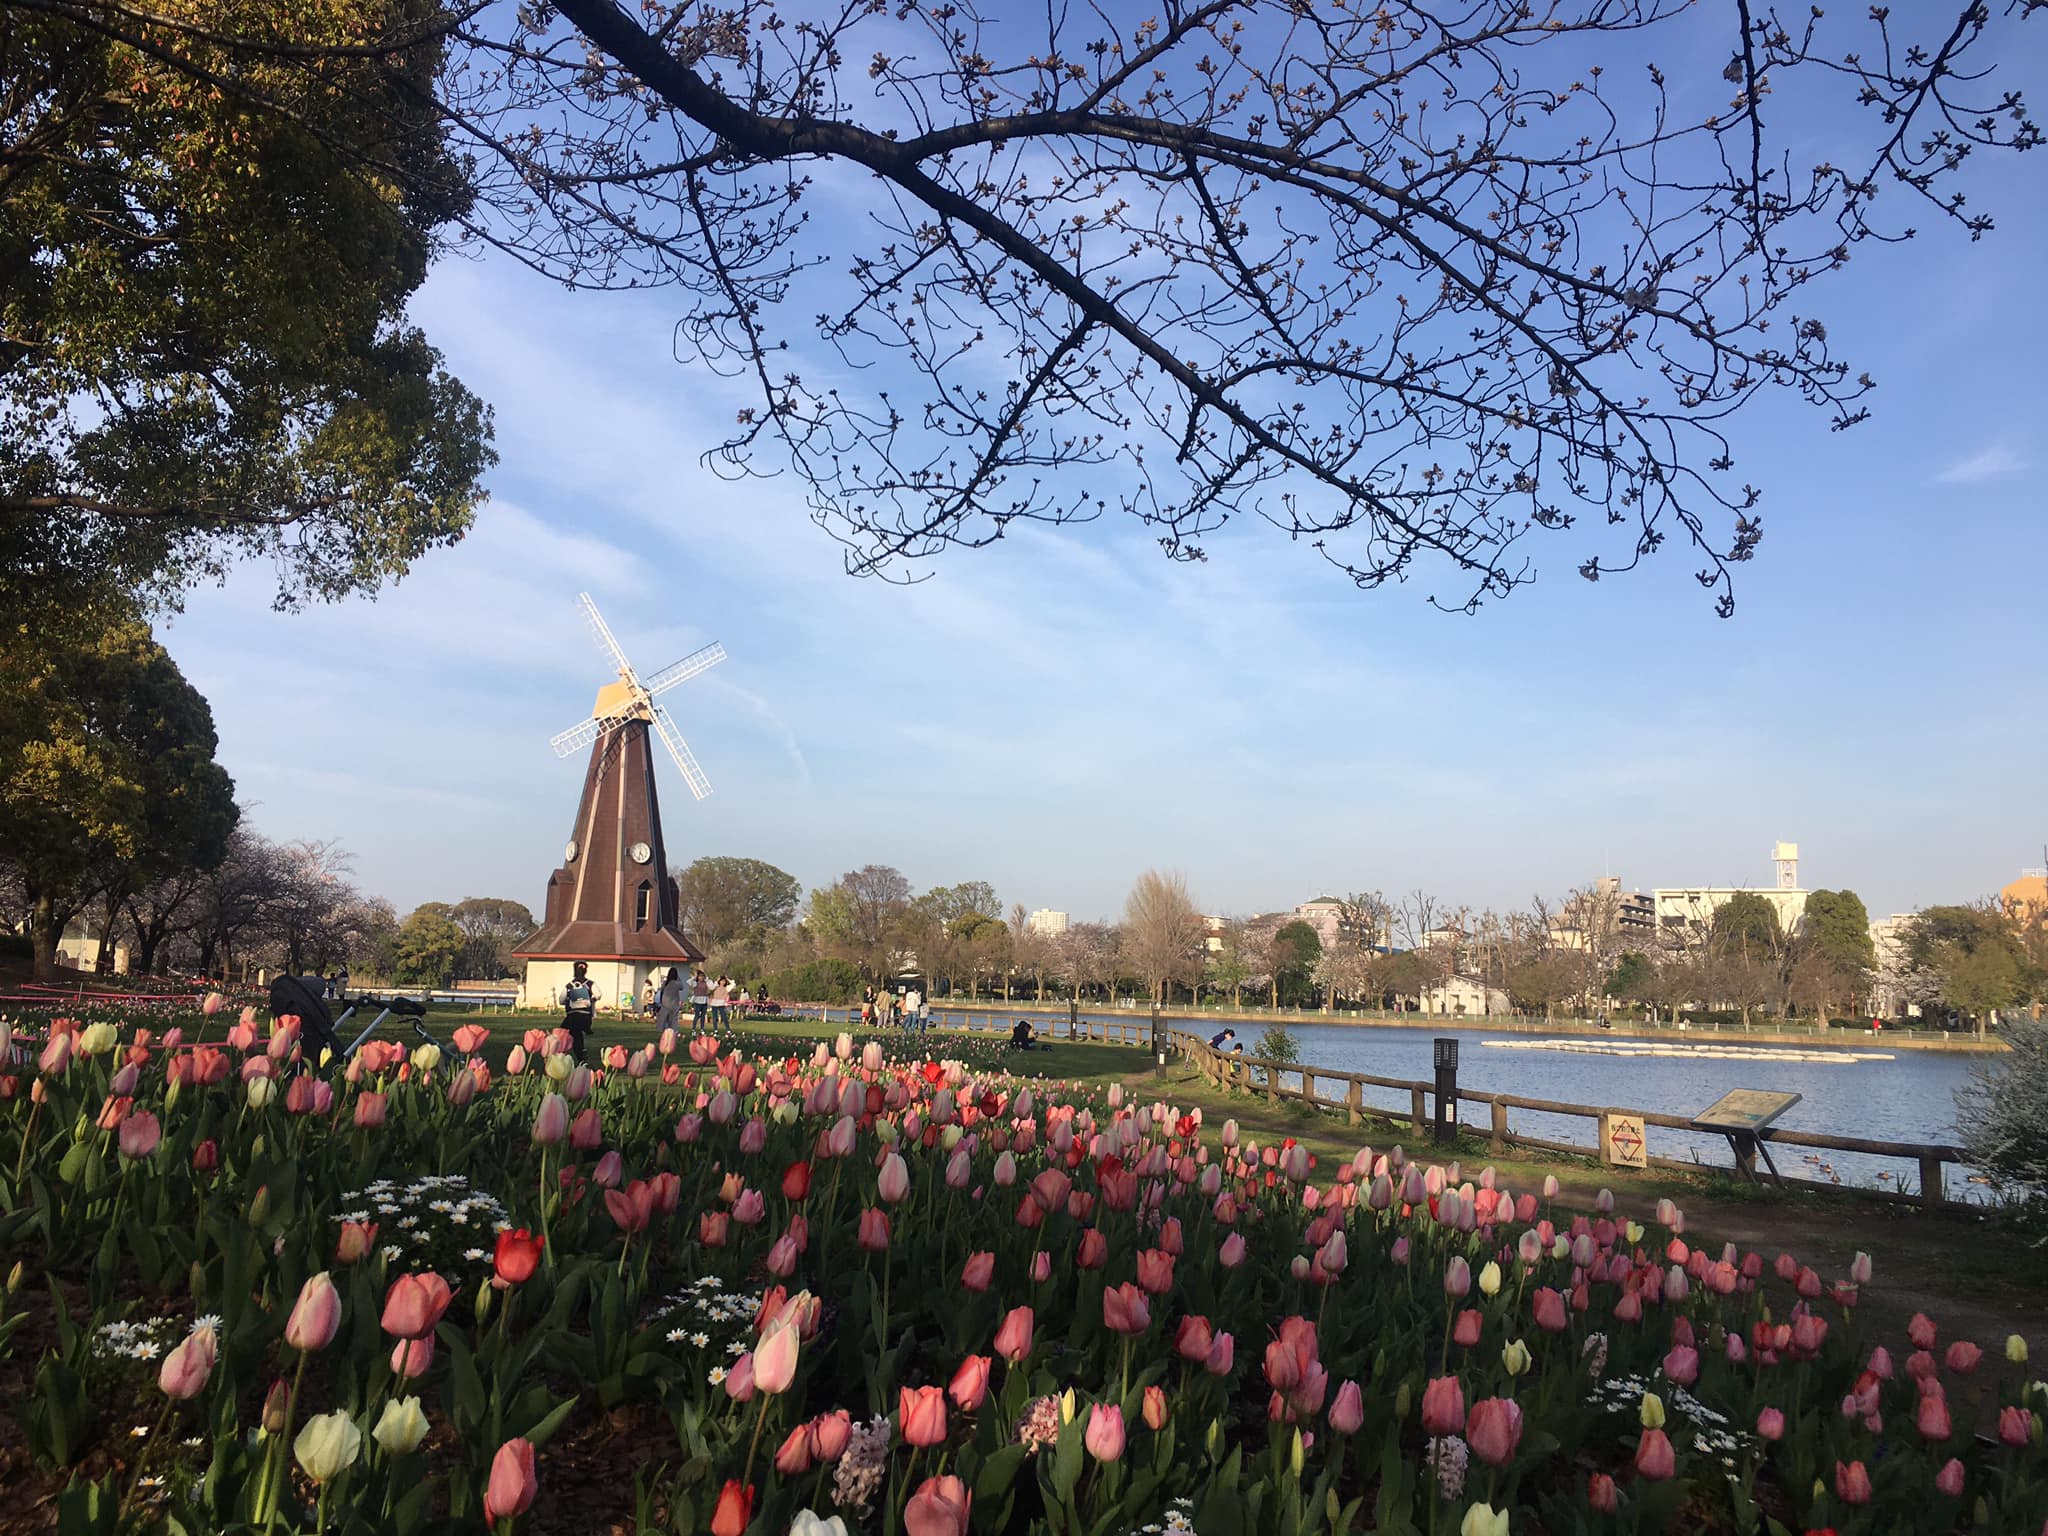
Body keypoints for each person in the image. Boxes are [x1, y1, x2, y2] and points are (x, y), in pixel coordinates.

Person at [561, 962, 599, 1063]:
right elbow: (598, 994)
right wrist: (591, 1000)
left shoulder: (569, 985)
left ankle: (577, 1055)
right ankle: (580, 1054)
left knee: (563, 1033)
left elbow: (561, 999)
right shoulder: (590, 984)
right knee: (576, 1034)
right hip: (586, 1016)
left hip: (572, 1016)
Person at [656, 968, 684, 1034]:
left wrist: (660, 1001)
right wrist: (678, 978)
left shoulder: (666, 983)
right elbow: (682, 987)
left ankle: (662, 1031)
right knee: (673, 1019)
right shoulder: (677, 984)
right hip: (674, 1003)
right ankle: (674, 1031)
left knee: (663, 1019)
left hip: (665, 1003)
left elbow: (662, 991)